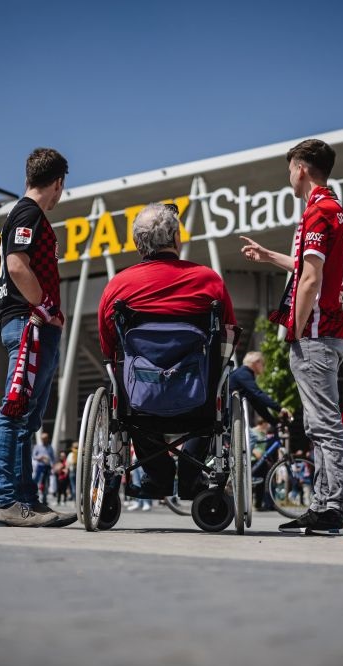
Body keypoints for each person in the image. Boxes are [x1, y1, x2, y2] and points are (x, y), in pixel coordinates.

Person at [240, 139, 343, 535]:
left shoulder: (318, 212)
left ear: (302, 169)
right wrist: (269, 256)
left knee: (324, 423)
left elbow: (309, 279)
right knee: (319, 421)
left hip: (318, 333)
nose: (288, 175)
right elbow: (306, 265)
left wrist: (294, 327)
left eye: (290, 168)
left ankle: (335, 506)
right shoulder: (335, 211)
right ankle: (327, 504)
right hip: (330, 332)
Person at [98, 202, 237, 503]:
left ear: (138, 244)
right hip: (197, 399)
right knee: (215, 377)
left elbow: (108, 345)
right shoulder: (207, 280)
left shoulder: (118, 286)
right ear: (176, 238)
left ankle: (158, 475)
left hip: (140, 403)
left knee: (123, 378)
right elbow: (229, 332)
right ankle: (190, 474)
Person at [0, 148, 76, 529]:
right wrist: (45, 307)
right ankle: (7, 500)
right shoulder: (28, 213)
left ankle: (26, 501)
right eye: (62, 187)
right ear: (57, 182)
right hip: (29, 324)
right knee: (15, 412)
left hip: (32, 324)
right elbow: (16, 265)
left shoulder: (25, 214)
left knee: (26, 418)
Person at [230, 351, 288, 426]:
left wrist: (274, 422)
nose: (264, 367)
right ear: (256, 362)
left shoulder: (243, 373)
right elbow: (258, 394)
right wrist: (280, 409)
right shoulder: (243, 374)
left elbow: (257, 403)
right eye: (263, 364)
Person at [31, 431, 55, 500]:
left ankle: (44, 498)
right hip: (40, 466)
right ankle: (33, 495)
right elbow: (34, 456)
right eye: (43, 438)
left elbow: (53, 458)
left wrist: (52, 464)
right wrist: (40, 457)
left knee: (46, 482)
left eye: (46, 438)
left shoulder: (50, 447)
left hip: (47, 467)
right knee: (36, 480)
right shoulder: (37, 446)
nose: (44, 440)